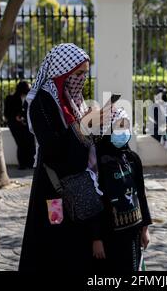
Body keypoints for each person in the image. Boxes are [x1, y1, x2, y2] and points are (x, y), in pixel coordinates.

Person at [19, 43, 104, 271]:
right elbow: (53, 148)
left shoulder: (74, 100)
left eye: (85, 74)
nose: (82, 79)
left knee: (75, 248)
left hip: (77, 186)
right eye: (78, 74)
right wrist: (84, 126)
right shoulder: (42, 103)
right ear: (61, 72)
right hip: (52, 187)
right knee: (53, 245)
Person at [95, 108, 152, 271]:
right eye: (118, 126)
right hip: (108, 235)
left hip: (133, 232)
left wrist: (145, 228)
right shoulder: (98, 161)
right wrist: (96, 238)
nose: (123, 131)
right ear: (108, 129)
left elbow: (141, 194)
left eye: (125, 126)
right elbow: (95, 202)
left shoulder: (133, 158)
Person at [4, 81, 35, 169]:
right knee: (21, 144)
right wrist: (16, 117)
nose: (29, 90)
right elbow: (7, 113)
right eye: (27, 88)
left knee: (30, 142)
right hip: (15, 125)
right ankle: (22, 164)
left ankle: (30, 163)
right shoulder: (11, 98)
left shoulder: (29, 98)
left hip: (26, 124)